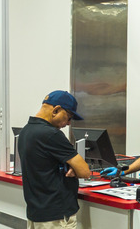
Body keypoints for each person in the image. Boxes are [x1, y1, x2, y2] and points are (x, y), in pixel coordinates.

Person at [17, 90, 90, 229]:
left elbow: (45, 164)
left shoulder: (26, 131)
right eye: (68, 117)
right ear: (56, 110)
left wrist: (70, 167)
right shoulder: (51, 134)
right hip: (56, 217)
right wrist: (75, 168)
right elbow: (85, 171)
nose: (68, 123)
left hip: (37, 212)